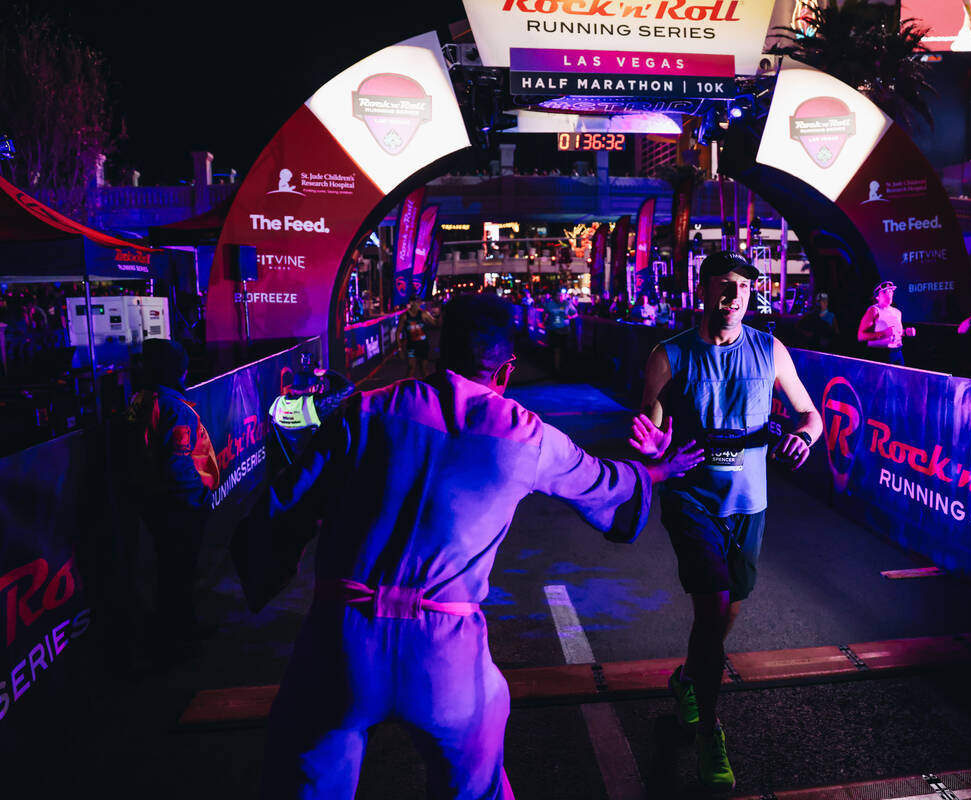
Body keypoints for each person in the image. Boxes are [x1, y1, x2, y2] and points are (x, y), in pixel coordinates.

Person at [236, 294, 702, 800]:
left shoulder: (367, 409)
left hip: (340, 639)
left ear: (440, 348)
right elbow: (604, 486)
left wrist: (269, 563)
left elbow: (288, 504)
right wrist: (655, 470)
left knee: (307, 783)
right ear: (505, 368)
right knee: (473, 788)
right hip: (446, 653)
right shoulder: (529, 436)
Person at [634, 251, 823, 791]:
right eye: (725, 284)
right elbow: (652, 430)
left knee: (723, 619)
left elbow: (812, 415)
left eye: (743, 286)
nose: (735, 295)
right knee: (714, 607)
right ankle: (709, 730)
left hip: (750, 503)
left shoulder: (771, 350)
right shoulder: (669, 355)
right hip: (692, 501)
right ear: (703, 287)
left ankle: (688, 678)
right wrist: (652, 450)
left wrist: (803, 437)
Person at [125, 338, 220, 651]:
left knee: (168, 571)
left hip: (150, 499)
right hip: (177, 506)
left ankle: (176, 627)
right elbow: (177, 467)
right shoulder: (175, 408)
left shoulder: (141, 398)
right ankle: (176, 638)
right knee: (179, 572)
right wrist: (198, 500)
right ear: (179, 369)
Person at [857, 281, 915, 365]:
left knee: (898, 378)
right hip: (879, 354)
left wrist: (905, 332)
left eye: (891, 291)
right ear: (877, 297)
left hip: (897, 353)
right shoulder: (874, 310)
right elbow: (861, 336)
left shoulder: (897, 312)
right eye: (885, 291)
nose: (889, 293)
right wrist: (883, 333)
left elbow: (895, 333)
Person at [541, 285, 577, 374]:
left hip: (565, 330)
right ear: (554, 296)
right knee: (555, 350)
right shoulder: (549, 304)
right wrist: (545, 322)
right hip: (553, 330)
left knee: (565, 350)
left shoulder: (567, 304)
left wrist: (569, 316)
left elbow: (576, 314)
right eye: (558, 295)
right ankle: (556, 369)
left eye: (561, 295)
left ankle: (564, 368)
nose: (560, 297)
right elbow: (544, 314)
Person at [402, 297, 436, 378]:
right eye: (417, 302)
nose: (419, 304)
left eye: (419, 302)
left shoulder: (424, 314)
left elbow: (435, 323)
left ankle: (426, 387)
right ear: (411, 303)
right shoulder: (405, 316)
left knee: (423, 368)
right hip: (411, 346)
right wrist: (400, 348)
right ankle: (407, 388)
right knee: (411, 368)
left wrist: (442, 315)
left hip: (423, 345)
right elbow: (398, 332)